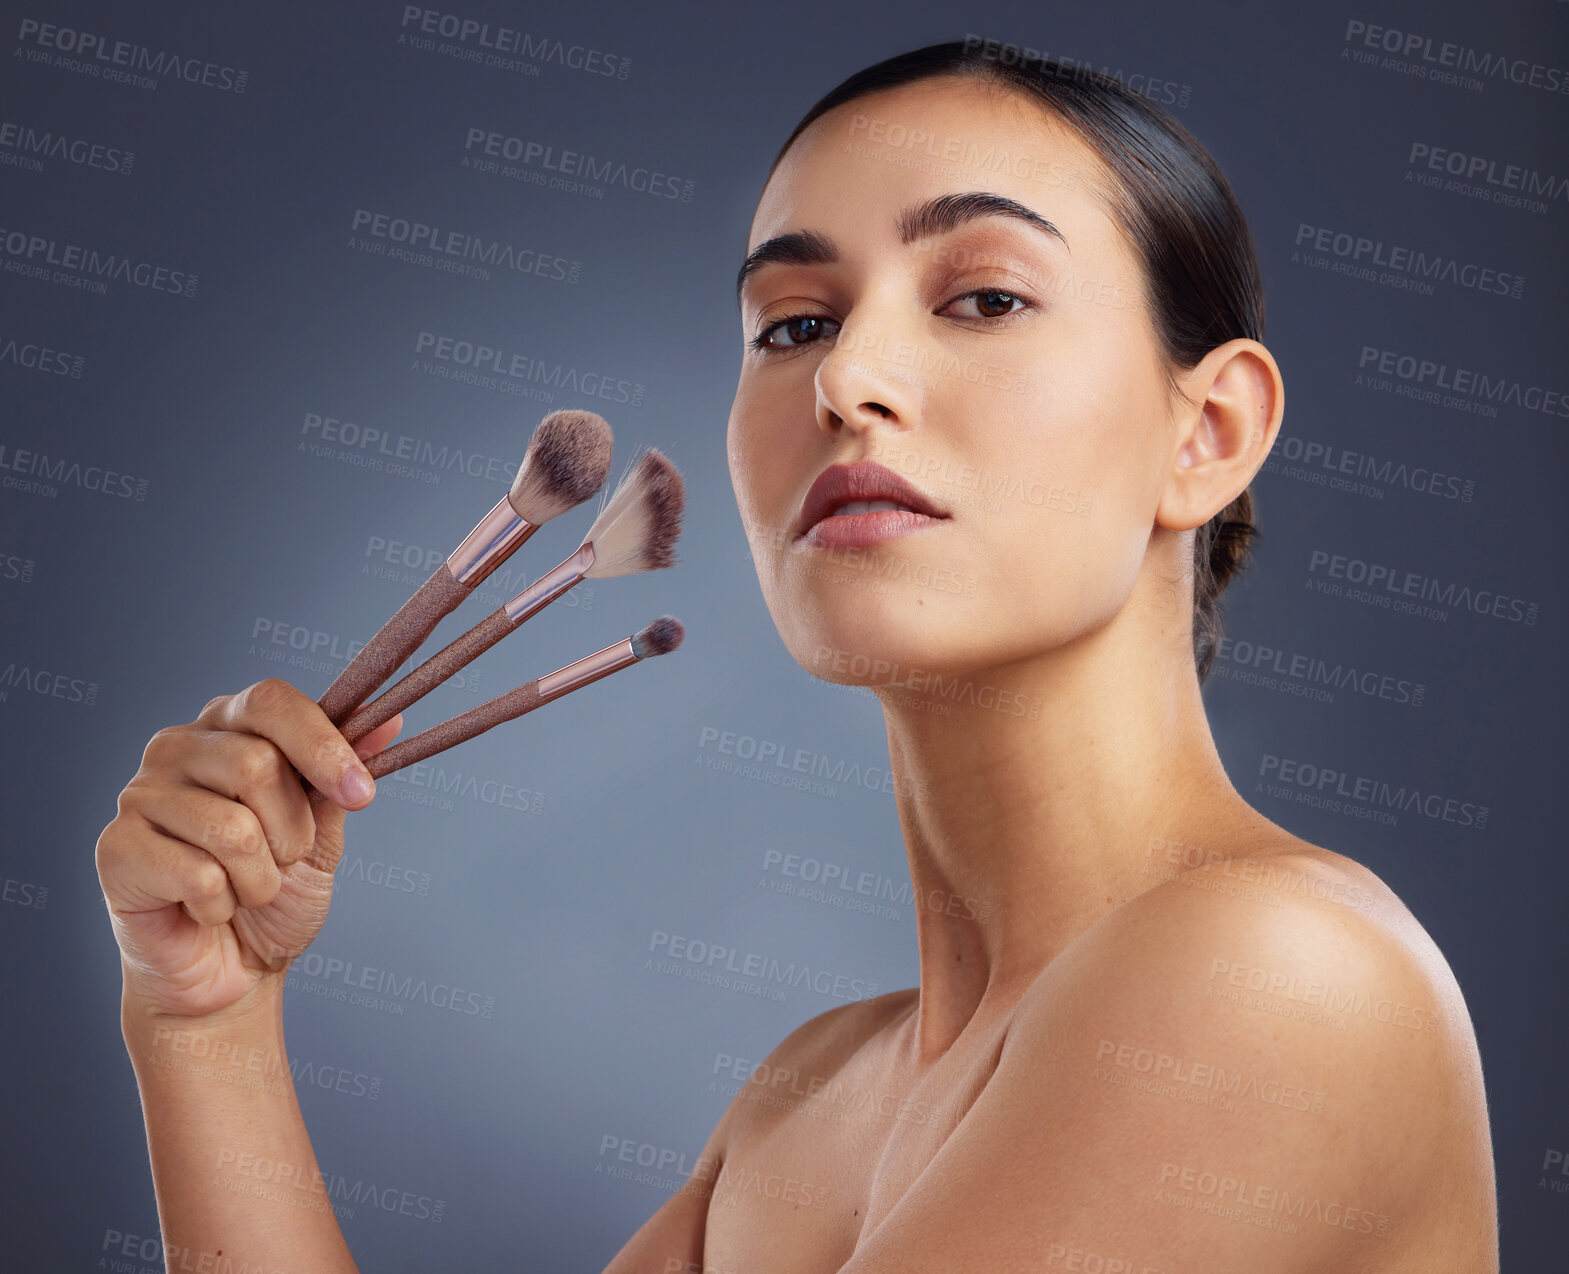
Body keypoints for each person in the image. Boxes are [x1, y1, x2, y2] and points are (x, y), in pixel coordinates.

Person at [96, 39, 1499, 1273]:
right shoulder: (804, 1095)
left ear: (1206, 432)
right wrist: (206, 1022)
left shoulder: (1279, 972)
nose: (843, 380)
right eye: (794, 324)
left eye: (983, 298)